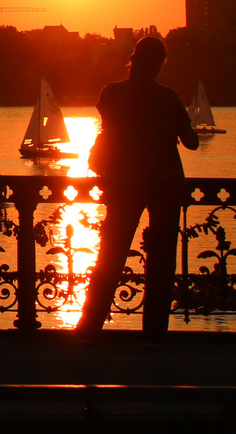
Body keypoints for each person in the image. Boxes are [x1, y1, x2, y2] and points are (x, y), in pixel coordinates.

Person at [75, 36, 199, 340]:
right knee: (162, 259)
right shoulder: (168, 97)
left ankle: (90, 329)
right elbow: (192, 142)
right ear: (159, 64)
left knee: (111, 255)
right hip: (165, 184)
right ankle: (155, 332)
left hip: (124, 182)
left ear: (133, 60)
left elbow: (109, 132)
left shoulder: (112, 93)